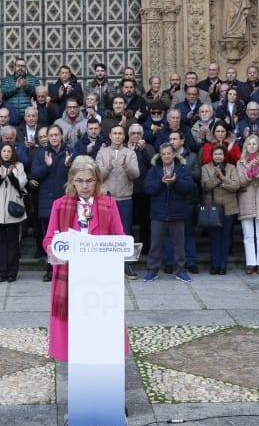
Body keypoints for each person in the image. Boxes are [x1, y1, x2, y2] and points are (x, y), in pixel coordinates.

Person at [42, 156, 128, 361]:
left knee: (100, 328)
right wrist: (54, 250)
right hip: (70, 274)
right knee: (74, 329)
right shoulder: (59, 205)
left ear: (97, 181)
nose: (84, 186)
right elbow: (48, 240)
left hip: (101, 277)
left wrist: (121, 247)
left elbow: (120, 237)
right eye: (79, 180)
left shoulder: (109, 204)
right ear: (72, 181)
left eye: (89, 180)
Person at [142, 142, 195, 282]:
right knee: (155, 244)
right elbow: (147, 188)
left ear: (174, 154)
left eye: (169, 153)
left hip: (177, 212)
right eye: (163, 154)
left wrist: (175, 182)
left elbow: (189, 187)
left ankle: (181, 271)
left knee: (179, 245)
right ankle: (152, 270)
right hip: (158, 213)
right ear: (160, 155)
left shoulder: (182, 168)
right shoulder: (154, 170)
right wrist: (161, 182)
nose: (166, 156)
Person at [95, 124, 140, 278]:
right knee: (105, 233)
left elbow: (136, 174)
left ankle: (126, 267)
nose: (118, 136)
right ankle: (106, 267)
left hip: (125, 199)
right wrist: (108, 166)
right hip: (106, 199)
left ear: (124, 136)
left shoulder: (130, 153)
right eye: (115, 133)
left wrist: (126, 166)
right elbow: (97, 175)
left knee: (125, 234)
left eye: (121, 133)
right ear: (110, 135)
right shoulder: (102, 152)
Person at [30, 125, 73, 281]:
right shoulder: (41, 153)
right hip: (47, 202)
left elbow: (79, 174)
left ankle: (66, 269)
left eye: (56, 134)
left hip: (66, 201)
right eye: (51, 135)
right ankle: (50, 270)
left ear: (61, 136)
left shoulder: (70, 151)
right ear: (47, 137)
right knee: (50, 238)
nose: (54, 137)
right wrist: (46, 166)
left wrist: (69, 166)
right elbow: (34, 174)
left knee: (67, 237)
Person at [0, 143, 28, 283]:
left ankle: (12, 273)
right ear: (0, 152)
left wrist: (11, 176)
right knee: (0, 242)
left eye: (9, 151)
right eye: (4, 150)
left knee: (13, 242)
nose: (7, 153)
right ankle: (1, 272)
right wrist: (1, 177)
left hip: (13, 209)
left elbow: (21, 185)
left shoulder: (19, 166)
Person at [234, 134, 259, 274]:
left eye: (254, 144)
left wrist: (258, 172)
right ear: (245, 146)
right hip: (246, 200)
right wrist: (248, 169)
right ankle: (250, 263)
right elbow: (240, 182)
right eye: (249, 144)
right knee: (248, 235)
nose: (252, 146)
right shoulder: (240, 163)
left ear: (258, 146)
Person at [200, 145, 240, 276]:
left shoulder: (231, 168)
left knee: (225, 236)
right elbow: (205, 186)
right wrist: (215, 177)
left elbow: (235, 186)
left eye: (220, 154)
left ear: (224, 156)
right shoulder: (205, 168)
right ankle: (214, 264)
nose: (218, 156)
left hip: (229, 207)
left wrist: (222, 178)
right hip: (213, 207)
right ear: (212, 155)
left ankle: (223, 265)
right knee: (215, 237)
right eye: (215, 154)